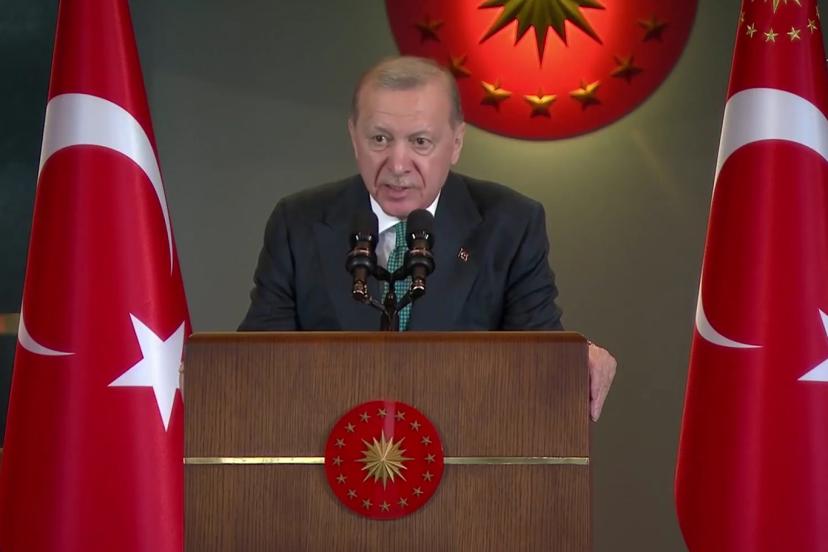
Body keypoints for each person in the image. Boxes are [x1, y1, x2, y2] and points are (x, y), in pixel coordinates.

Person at [239, 56, 616, 420]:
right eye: (380, 139)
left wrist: (576, 356)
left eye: (420, 142)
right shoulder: (298, 223)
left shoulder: (509, 224)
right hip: (332, 448)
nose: (398, 164)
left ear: (456, 143)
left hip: (466, 451)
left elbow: (540, 348)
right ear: (354, 137)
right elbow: (258, 361)